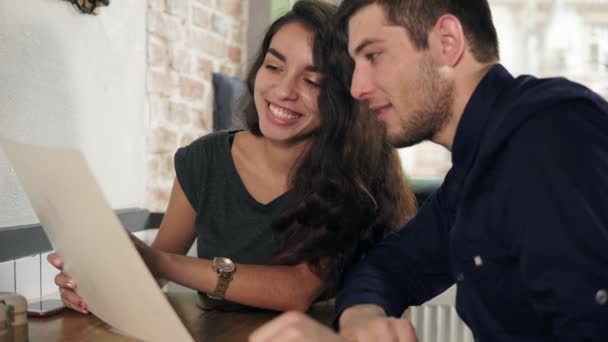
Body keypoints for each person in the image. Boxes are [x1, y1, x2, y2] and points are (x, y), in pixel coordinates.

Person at [249, 0, 608, 341]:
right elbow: (392, 266)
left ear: (446, 43)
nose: (357, 88)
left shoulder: (549, 136)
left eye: (373, 55)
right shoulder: (474, 168)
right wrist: (364, 316)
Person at [48, 0, 417, 316]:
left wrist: (156, 261)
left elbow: (297, 290)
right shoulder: (204, 161)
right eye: (274, 67)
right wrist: (95, 289)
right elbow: (153, 274)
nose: (284, 91)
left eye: (313, 82)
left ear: (342, 97)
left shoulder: (351, 172)